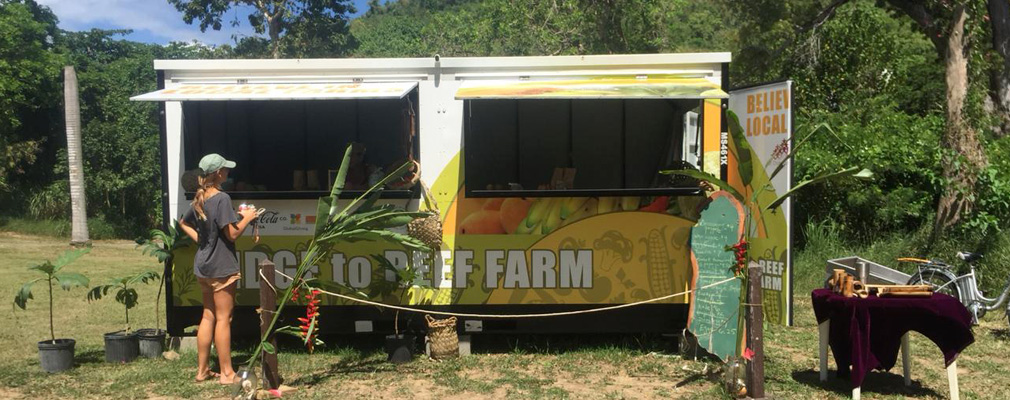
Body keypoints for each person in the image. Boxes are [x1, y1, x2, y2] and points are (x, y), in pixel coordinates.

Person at [178, 154, 258, 384]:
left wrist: (202, 242)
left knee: (208, 315)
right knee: (224, 318)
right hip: (221, 267)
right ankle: (226, 373)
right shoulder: (222, 198)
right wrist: (247, 218)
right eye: (225, 169)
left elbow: (184, 223)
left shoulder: (200, 198)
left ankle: (202, 371)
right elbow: (231, 234)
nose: (228, 172)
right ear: (218, 173)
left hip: (202, 266)